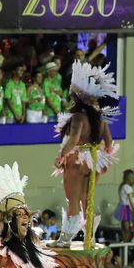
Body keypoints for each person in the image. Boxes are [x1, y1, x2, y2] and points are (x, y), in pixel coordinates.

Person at [53, 62, 120, 244]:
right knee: (87, 199)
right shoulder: (100, 118)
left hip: (76, 160)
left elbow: (73, 140)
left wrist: (61, 156)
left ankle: (65, 239)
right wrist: (98, 154)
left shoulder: (78, 118)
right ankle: (89, 237)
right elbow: (108, 141)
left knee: (72, 200)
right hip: (94, 160)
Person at [116, 168, 134, 242]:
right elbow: (131, 200)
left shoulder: (123, 186)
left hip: (122, 207)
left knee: (124, 228)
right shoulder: (127, 187)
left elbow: (129, 195)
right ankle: (126, 242)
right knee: (127, 229)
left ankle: (124, 241)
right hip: (126, 208)